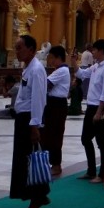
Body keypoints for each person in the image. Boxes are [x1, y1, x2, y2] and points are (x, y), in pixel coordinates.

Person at [10, 34, 49, 208]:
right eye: (16, 47)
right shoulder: (27, 68)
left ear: (32, 49)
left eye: (20, 47)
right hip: (23, 119)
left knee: (30, 161)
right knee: (25, 160)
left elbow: (38, 99)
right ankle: (40, 196)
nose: (17, 51)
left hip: (29, 121)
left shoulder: (36, 70)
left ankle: (35, 203)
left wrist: (35, 126)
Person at [74, 38, 104, 182]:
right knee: (86, 138)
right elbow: (82, 74)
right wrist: (74, 62)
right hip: (91, 106)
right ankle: (91, 170)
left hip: (102, 108)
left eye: (95, 50)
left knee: (101, 139)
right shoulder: (96, 67)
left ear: (101, 51)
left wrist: (99, 112)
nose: (93, 52)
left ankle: (102, 173)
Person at [43, 45, 71, 177]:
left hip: (57, 105)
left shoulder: (62, 71)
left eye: (52, 58)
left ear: (59, 58)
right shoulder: (57, 71)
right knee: (49, 133)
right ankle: (50, 162)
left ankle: (56, 164)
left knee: (55, 135)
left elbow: (45, 84)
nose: (50, 61)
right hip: (52, 104)